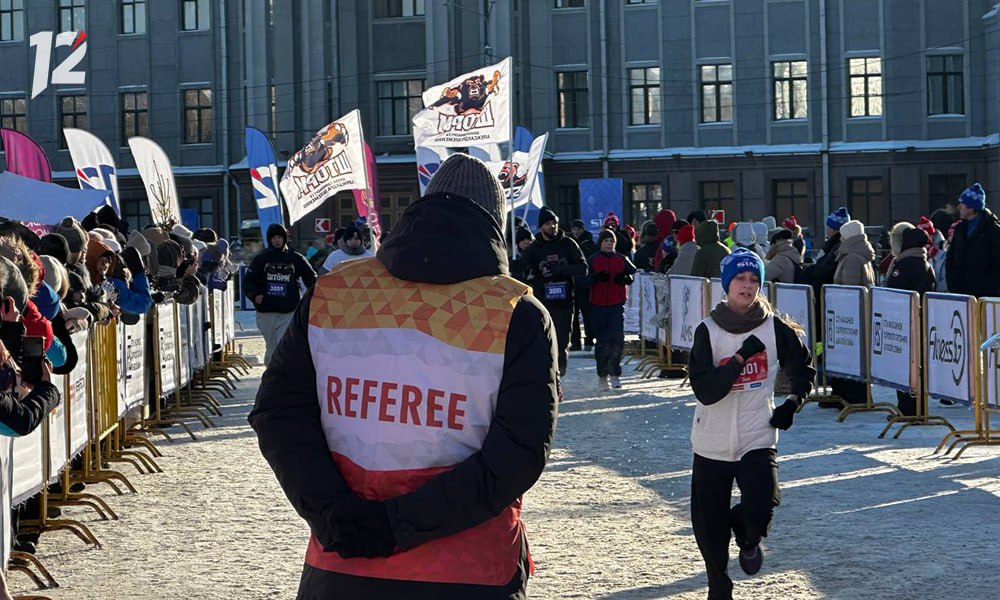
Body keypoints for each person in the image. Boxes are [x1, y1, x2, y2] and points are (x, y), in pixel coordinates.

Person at [248, 153, 558, 599]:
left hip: (343, 564)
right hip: (468, 571)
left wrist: (334, 514)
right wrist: (398, 526)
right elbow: (518, 453)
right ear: (494, 224)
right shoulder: (517, 314)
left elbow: (279, 413)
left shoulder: (334, 293)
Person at [688, 248, 815, 600]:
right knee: (709, 529)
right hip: (711, 440)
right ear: (727, 285)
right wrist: (742, 357)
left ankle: (746, 537)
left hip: (757, 434)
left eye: (754, 280)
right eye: (740, 279)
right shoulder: (707, 331)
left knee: (761, 507)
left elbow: (804, 371)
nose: (747, 286)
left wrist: (792, 404)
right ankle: (719, 590)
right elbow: (706, 391)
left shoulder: (775, 328)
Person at [520, 206, 588, 377]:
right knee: (542, 340)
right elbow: (522, 269)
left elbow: (583, 268)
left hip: (564, 302)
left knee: (561, 341)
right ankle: (545, 374)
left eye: (555, 223)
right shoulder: (534, 248)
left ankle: (558, 374)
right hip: (542, 301)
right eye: (549, 223)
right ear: (541, 226)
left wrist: (563, 269)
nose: (553, 226)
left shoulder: (568, 244)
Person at [243, 223, 317, 365]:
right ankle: (271, 376)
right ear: (269, 239)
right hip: (266, 312)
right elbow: (248, 281)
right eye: (274, 238)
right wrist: (255, 295)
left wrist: (313, 295)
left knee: (283, 345)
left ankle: (281, 377)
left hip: (288, 310)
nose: (277, 240)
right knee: (272, 347)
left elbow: (310, 278)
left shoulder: (295, 258)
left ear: (285, 239)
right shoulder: (261, 259)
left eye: (279, 237)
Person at [886, 227, 936, 417]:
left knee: (906, 367)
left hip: (906, 323)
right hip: (917, 322)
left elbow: (894, 288)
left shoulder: (906, 264)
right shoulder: (923, 262)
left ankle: (909, 408)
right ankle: (913, 407)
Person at [589, 229, 637, 391]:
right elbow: (582, 280)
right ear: (600, 243)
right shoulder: (593, 260)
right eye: (606, 241)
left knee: (617, 341)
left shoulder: (621, 259)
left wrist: (625, 278)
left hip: (616, 305)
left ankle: (615, 373)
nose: (609, 244)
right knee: (603, 342)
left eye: (612, 241)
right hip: (598, 305)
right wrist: (594, 278)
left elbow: (633, 272)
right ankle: (602, 375)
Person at [945, 183, 1000, 297]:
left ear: (971, 207)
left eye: (962, 204)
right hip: (961, 293)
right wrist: (952, 284)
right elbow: (951, 257)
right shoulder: (960, 229)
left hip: (984, 296)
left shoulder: (993, 230)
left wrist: (989, 288)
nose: (959, 207)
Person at [569, 220, 598, 352]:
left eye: (579, 229)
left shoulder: (589, 243)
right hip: (572, 283)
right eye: (574, 229)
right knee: (573, 314)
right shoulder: (568, 243)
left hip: (586, 283)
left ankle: (589, 338)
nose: (577, 232)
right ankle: (575, 341)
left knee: (587, 313)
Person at [832, 220, 876, 287]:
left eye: (842, 236)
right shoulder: (862, 253)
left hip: (850, 297)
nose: (840, 239)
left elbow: (850, 290)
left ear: (848, 237)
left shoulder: (852, 259)